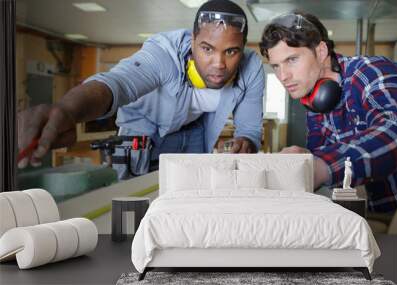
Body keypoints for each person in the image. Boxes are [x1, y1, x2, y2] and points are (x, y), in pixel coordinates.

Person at [18, 0, 265, 179]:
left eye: (231, 51)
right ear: (192, 42)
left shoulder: (252, 68)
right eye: (207, 49)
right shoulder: (164, 54)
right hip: (144, 127)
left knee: (192, 193)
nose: (219, 64)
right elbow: (118, 83)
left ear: (242, 48)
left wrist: (245, 142)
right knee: (134, 196)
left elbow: (250, 129)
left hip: (195, 132)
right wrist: (67, 109)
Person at [259, 11, 397, 213]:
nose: (283, 76)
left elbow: (395, 131)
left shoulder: (369, 71)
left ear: (322, 51)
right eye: (276, 66)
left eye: (291, 60)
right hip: (366, 214)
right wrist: (302, 159)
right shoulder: (315, 101)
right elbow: (318, 156)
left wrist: (319, 166)